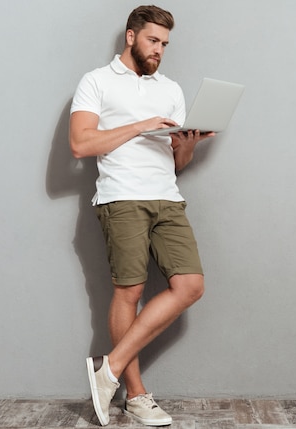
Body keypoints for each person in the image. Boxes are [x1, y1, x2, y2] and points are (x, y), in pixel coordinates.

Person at [69, 5, 214, 427]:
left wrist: (189, 141)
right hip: (121, 199)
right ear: (131, 37)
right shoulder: (96, 81)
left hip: (167, 198)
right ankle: (136, 395)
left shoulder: (170, 88)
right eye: (154, 41)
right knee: (128, 294)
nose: (160, 51)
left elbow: (177, 162)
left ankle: (108, 369)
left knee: (190, 285)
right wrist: (139, 125)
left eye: (165, 44)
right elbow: (80, 144)